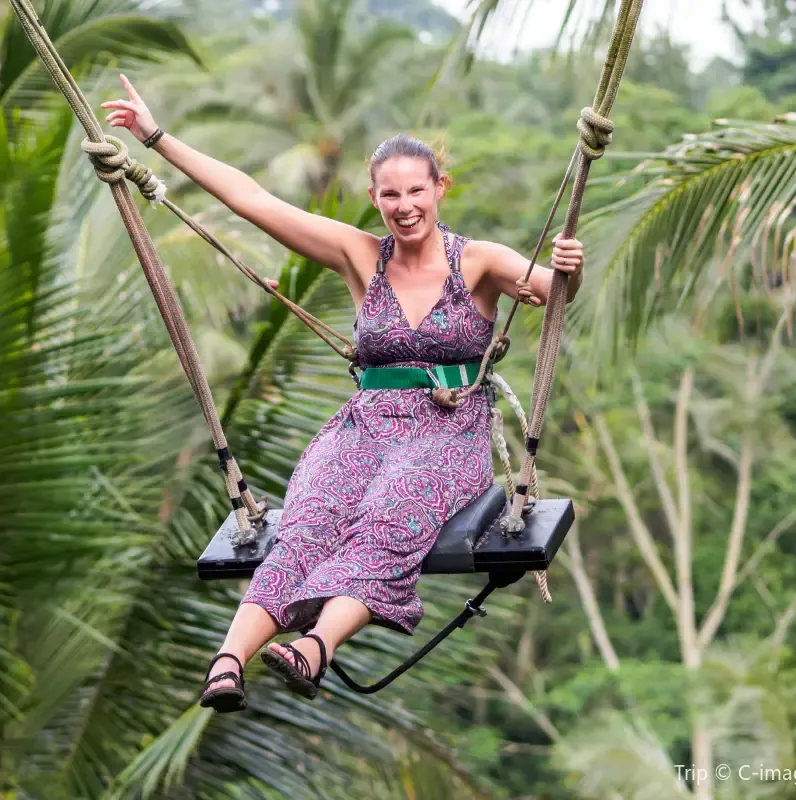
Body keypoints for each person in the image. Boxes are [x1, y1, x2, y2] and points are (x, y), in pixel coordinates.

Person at [102, 74, 584, 712]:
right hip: (365, 427)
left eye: (417, 190)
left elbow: (555, 294)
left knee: (389, 513)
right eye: (391, 195)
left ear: (440, 189)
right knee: (308, 519)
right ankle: (228, 659)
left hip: (446, 433)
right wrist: (157, 138)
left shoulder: (481, 262)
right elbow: (255, 200)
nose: (405, 205)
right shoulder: (360, 256)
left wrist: (567, 270)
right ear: (375, 198)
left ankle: (316, 647)